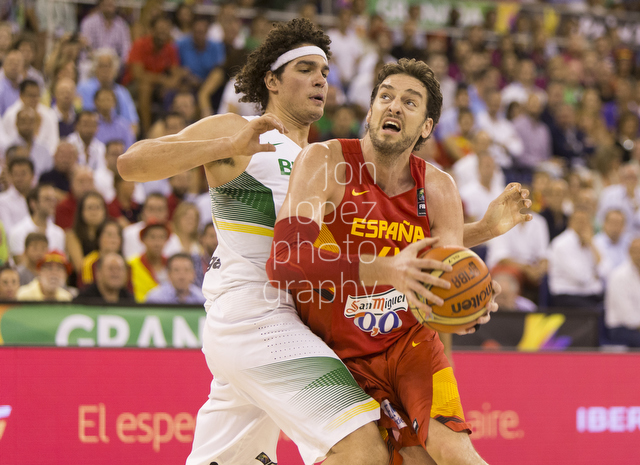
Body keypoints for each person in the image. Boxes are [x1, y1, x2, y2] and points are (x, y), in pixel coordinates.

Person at [118, 19, 531, 465]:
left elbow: (381, 251)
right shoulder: (241, 131)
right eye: (305, 68)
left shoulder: (323, 159)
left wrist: (482, 232)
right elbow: (131, 163)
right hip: (257, 313)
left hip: (300, 318)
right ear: (272, 81)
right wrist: (222, 144)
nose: (320, 79)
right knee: (364, 449)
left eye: (325, 71)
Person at [267, 58, 531, 463]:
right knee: (365, 458)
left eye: (410, 102)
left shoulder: (439, 187)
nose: (393, 106)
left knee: (453, 453)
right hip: (335, 351)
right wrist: (387, 269)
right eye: (385, 96)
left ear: (426, 127)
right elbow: (284, 261)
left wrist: (473, 299)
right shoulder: (325, 161)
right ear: (370, 110)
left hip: (409, 344)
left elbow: (445, 278)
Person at [9, 184, 65, 264]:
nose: (52, 203)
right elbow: (21, 265)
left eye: (53, 199)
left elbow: (60, 263)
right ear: (33, 203)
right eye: (47, 199)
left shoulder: (59, 233)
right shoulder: (18, 232)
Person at [605, 237, 640, 347]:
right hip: (621, 329)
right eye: (636, 251)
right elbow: (628, 317)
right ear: (629, 252)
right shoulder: (618, 276)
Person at [128, 221, 169, 302]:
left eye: (161, 237)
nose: (157, 243)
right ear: (143, 240)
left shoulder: (172, 265)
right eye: (152, 237)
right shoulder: (131, 265)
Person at [0, 156, 33, 236]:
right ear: (10, 176)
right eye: (15, 174)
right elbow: (8, 231)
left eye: (23, 174)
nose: (19, 178)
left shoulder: (40, 197)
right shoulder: (3, 200)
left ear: (32, 175)